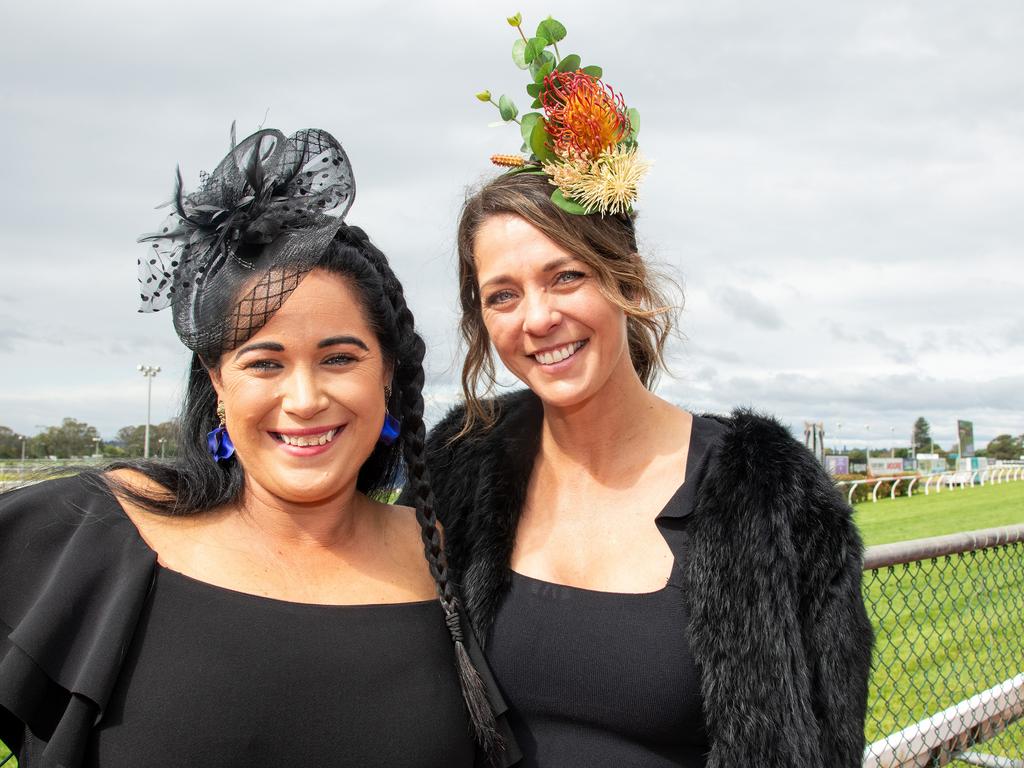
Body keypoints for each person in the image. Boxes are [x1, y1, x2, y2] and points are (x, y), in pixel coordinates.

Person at [407, 17, 873, 768]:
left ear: (622, 277)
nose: (538, 318)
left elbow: (826, 742)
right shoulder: (459, 467)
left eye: (566, 276)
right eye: (502, 295)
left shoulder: (770, 494)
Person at [0, 128, 516, 768]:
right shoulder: (94, 532)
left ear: (388, 373)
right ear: (216, 383)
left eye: (339, 357)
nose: (304, 399)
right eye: (264, 363)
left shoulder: (453, 557)